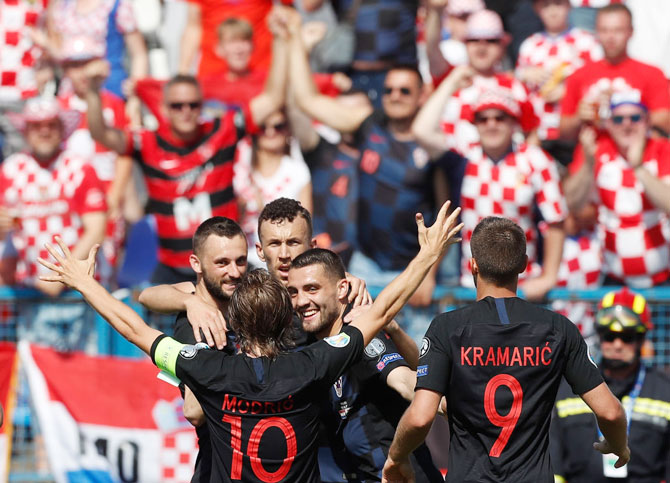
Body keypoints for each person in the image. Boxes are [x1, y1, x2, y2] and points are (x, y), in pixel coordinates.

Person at [37, 198, 463, 482]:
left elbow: (134, 327)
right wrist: (426, 256)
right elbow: (383, 312)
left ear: (235, 320)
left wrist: (82, 282)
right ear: (284, 317)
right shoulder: (314, 363)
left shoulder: (212, 368)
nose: (282, 255)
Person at [381, 216, 629, 483]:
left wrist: (396, 457)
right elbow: (610, 412)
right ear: (523, 265)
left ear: (472, 264)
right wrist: (618, 445)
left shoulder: (447, 328)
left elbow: (420, 418)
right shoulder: (559, 329)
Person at [83, 5, 290, 284]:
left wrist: (281, 40)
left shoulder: (222, 130)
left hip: (226, 273)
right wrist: (94, 93)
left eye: (193, 104)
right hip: (173, 272)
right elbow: (101, 134)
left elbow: (273, 99)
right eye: (177, 105)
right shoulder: (147, 143)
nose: (186, 111)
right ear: (164, 109)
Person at [289, 8, 450, 342]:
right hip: (368, 264)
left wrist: (430, 273)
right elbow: (308, 100)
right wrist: (295, 44)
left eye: (405, 91)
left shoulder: (434, 146)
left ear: (422, 96)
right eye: (389, 90)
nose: (394, 97)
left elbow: (444, 214)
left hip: (414, 265)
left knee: (419, 356)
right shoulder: (370, 125)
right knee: (360, 350)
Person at [412, 66, 566, 301]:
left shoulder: (536, 160)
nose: (491, 124)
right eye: (483, 119)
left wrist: (549, 276)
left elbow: (556, 221)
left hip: (521, 286)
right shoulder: (464, 157)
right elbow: (421, 131)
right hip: (472, 286)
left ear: (514, 122)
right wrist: (452, 79)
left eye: (499, 117)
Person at [289, 248, 443, 482]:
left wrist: (450, 402)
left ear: (341, 289)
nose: (301, 301)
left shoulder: (359, 335)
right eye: (293, 292)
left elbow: (404, 380)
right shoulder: (306, 344)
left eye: (312, 289)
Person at [141, 216, 247, 483]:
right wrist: (190, 303)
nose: (234, 272)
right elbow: (194, 411)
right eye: (222, 263)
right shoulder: (195, 323)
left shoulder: (251, 297)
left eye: (240, 261)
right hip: (219, 467)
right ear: (195, 264)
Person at [550, 288, 670, 482]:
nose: (617, 344)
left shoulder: (665, 391)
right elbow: (553, 463)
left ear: (642, 339)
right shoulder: (567, 389)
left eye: (627, 336)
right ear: (599, 334)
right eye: (609, 335)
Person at [0, 97, 107, 296]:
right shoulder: (10, 170)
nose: (44, 131)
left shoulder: (80, 167)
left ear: (62, 128)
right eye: (36, 125)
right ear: (25, 130)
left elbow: (96, 231)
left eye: (51, 124)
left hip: (81, 293)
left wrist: (62, 277)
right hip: (30, 292)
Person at [564, 94, 670, 287]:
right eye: (618, 119)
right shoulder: (596, 149)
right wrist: (588, 165)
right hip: (613, 279)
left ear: (647, 122)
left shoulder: (662, 149)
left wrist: (638, 168)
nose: (627, 125)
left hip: (662, 281)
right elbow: (573, 203)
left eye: (635, 118)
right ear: (609, 124)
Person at [57, 35, 134, 285]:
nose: (81, 73)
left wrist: (115, 195)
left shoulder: (114, 105)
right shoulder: (56, 109)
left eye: (86, 64)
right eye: (74, 65)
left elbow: (125, 153)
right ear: (65, 69)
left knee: (104, 266)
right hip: (70, 203)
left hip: (106, 199)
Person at [427, 8, 540, 146]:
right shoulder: (452, 78)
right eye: (474, 40)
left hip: (503, 166)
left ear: (502, 46)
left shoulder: (516, 87)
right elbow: (432, 49)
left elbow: (532, 136)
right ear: (465, 44)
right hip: (456, 164)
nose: (482, 47)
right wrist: (435, 12)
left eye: (491, 40)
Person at [559, 3, 670, 141]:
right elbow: (563, 133)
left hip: (637, 154)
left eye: (618, 30)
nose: (611, 37)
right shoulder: (578, 75)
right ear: (596, 32)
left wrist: (624, 106)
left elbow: (666, 122)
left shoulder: (652, 73)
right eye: (605, 30)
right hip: (593, 155)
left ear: (631, 32)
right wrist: (579, 118)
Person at [516, 0, 602, 165]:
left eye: (558, 4)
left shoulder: (587, 42)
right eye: (546, 6)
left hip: (575, 134)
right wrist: (524, 75)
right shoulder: (529, 45)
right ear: (536, 9)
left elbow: (599, 82)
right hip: (539, 134)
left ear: (569, 6)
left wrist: (568, 91)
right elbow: (518, 93)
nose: (553, 11)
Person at [233, 108, 312, 269]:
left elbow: (305, 223)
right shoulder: (240, 165)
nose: (270, 132)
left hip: (284, 261)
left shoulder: (298, 171)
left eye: (278, 126)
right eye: (263, 126)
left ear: (288, 129)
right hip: (244, 258)